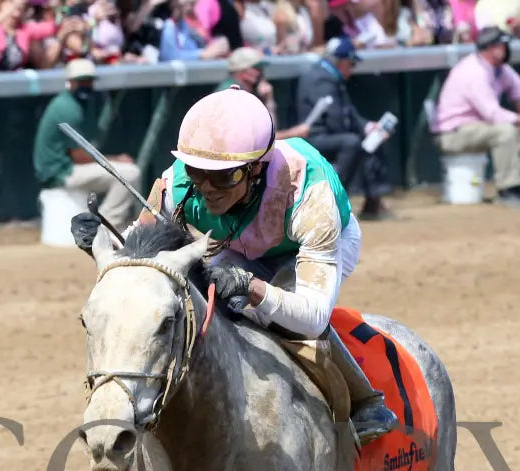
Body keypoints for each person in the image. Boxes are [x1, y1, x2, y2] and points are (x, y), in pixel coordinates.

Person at [71, 87, 398, 444]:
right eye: (198, 172)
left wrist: (251, 286)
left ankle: (366, 400)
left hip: (313, 245)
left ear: (256, 168)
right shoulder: (177, 183)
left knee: (278, 317)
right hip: (238, 245)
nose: (208, 188)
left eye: (225, 177)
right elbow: (140, 258)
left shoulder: (309, 195)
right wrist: (100, 240)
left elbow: (313, 317)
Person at [433, 26, 520, 208]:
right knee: (505, 132)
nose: (507, 50)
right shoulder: (474, 71)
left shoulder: (498, 67)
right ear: (492, 49)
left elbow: (517, 87)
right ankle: (507, 190)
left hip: (474, 128)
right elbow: (492, 114)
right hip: (451, 134)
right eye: (503, 46)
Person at [32, 58, 142, 230]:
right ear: (70, 82)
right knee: (130, 173)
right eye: (81, 80)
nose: (86, 84)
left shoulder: (73, 103)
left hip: (61, 168)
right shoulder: (66, 107)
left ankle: (102, 224)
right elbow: (79, 156)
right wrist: (117, 159)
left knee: (126, 172)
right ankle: (104, 227)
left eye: (88, 80)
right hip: (60, 172)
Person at [296, 37, 394, 221]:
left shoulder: (329, 75)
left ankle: (372, 203)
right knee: (352, 142)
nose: (353, 68)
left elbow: (348, 112)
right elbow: (335, 120)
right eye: (352, 63)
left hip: (327, 136)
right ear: (342, 61)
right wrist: (362, 132)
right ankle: (332, 199)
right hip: (314, 138)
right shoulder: (321, 78)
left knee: (372, 139)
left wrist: (368, 127)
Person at [216, 46, 311, 141]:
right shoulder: (233, 94)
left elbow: (269, 133)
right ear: (243, 71)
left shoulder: (248, 92)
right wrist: (293, 134)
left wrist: (268, 99)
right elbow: (259, 141)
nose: (261, 72)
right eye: (257, 68)